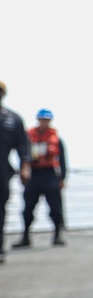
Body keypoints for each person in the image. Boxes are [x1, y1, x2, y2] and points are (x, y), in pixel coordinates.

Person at [13, 108, 67, 248]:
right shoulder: (28, 137)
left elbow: (62, 160)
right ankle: (25, 236)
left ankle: (57, 235)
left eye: (47, 120)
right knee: (28, 208)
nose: (44, 122)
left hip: (50, 175)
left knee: (56, 208)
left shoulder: (56, 139)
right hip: (34, 175)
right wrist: (22, 172)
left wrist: (62, 178)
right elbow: (23, 156)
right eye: (42, 119)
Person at [0, 79, 30, 263]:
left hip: (2, 170)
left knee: (0, 210)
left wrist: (25, 167)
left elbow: (22, 145)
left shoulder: (12, 118)